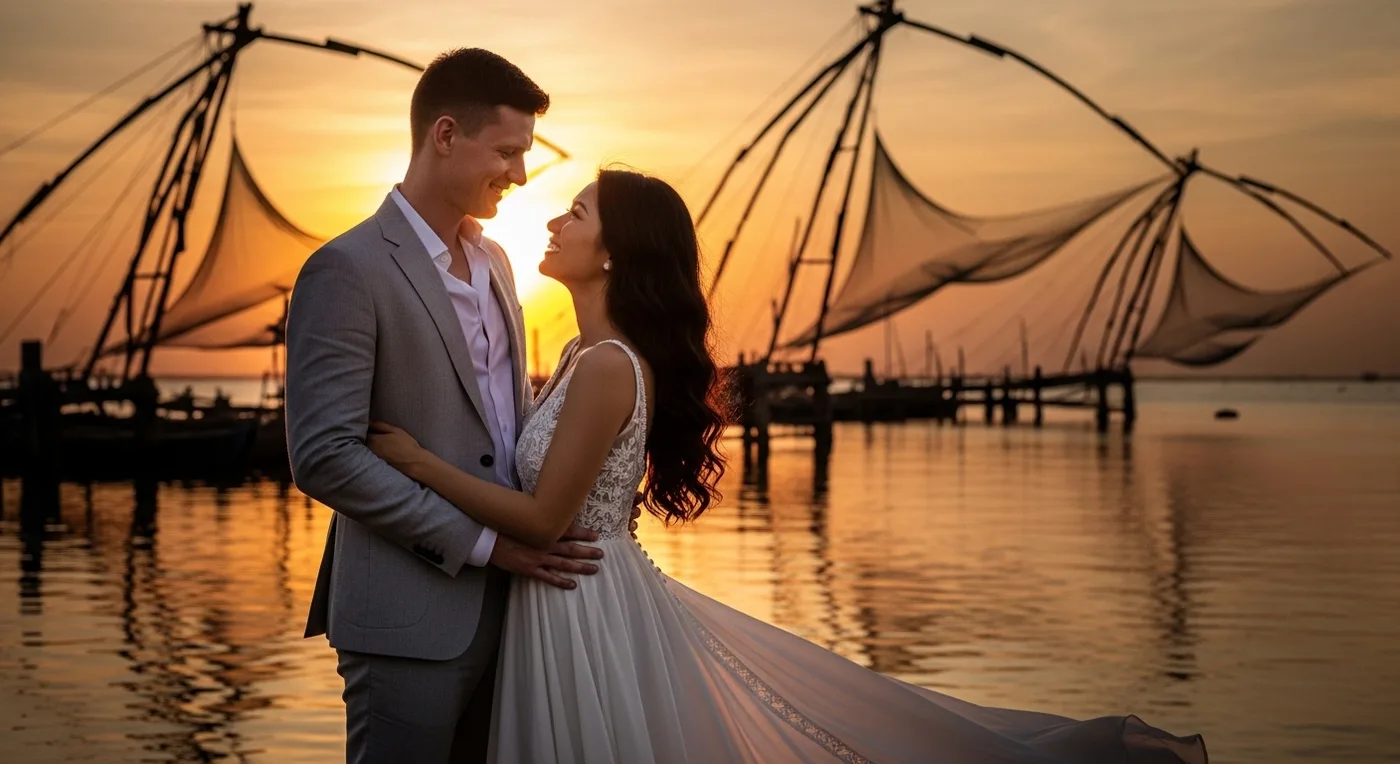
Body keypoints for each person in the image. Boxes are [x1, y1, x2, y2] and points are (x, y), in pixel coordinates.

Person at [367, 169, 1210, 763]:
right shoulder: (584, 358)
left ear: (617, 251)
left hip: (578, 604)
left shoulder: (607, 368)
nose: (554, 222)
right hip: (573, 598)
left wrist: (413, 461)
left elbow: (546, 519)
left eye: (578, 213)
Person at [284, 48, 621, 763]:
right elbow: (323, 457)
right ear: (444, 136)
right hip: (408, 620)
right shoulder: (346, 269)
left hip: (521, 619)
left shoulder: (499, 261)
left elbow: (503, 427)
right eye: (506, 151)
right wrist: (489, 546)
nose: (521, 174)